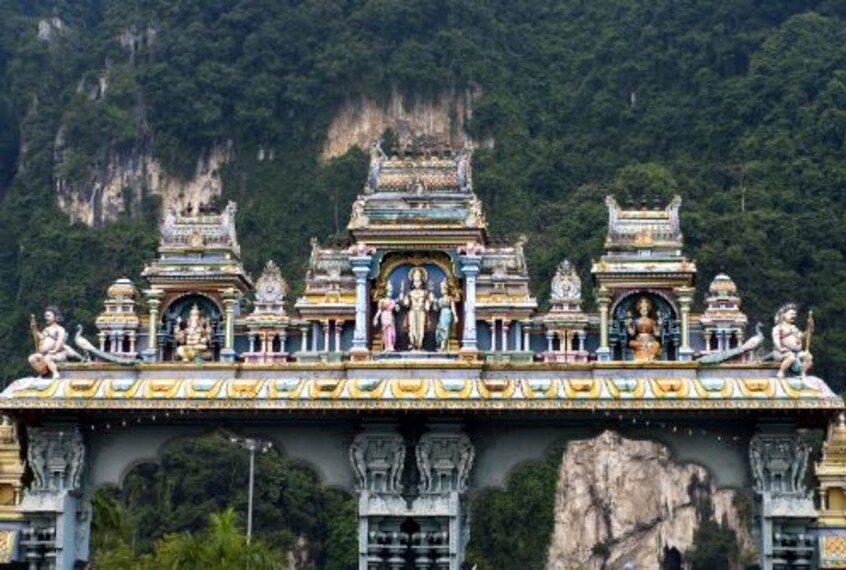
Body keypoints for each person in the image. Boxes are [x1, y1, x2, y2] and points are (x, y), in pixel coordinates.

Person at [28, 306, 78, 379]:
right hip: (46, 354)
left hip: (58, 354)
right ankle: (43, 373)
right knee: (32, 358)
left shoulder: (60, 329)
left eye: (48, 315)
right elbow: (42, 338)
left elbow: (60, 341)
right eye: (45, 316)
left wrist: (55, 350)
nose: (46, 317)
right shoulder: (47, 329)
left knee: (48, 358)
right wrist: (35, 330)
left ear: (56, 317)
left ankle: (55, 373)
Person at [772, 303, 813, 378]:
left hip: (796, 352)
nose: (793, 316)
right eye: (791, 314)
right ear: (783, 315)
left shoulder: (794, 328)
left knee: (808, 356)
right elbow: (775, 339)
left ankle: (802, 373)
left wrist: (808, 328)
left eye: (795, 314)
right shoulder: (778, 327)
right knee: (791, 357)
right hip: (781, 352)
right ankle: (781, 372)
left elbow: (802, 336)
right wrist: (780, 348)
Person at [401, 267, 433, 351]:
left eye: (418, 281)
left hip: (421, 312)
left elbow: (428, 304)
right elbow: (406, 304)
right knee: (412, 329)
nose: (417, 283)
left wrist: (429, 302)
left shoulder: (425, 292)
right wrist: (403, 299)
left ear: (422, 281)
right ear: (413, 282)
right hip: (412, 311)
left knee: (420, 329)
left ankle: (419, 345)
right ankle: (412, 344)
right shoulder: (410, 293)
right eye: (415, 281)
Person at [626, 296, 661, 361]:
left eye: (645, 309)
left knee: (656, 344)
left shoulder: (652, 321)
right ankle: (643, 355)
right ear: (639, 310)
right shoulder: (636, 321)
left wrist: (659, 325)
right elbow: (632, 333)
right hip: (639, 342)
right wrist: (628, 325)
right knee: (631, 343)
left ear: (648, 310)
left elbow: (657, 334)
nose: (644, 310)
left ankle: (650, 356)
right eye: (642, 309)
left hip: (650, 341)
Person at [373, 282, 399, 352]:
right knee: (386, 331)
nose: (390, 293)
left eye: (391, 291)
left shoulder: (392, 301)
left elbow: (397, 310)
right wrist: (375, 318)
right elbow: (379, 311)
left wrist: (397, 306)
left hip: (390, 317)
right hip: (385, 316)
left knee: (392, 333)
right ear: (385, 291)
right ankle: (387, 346)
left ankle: (391, 345)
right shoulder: (382, 301)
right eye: (388, 291)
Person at [435, 280, 458, 352]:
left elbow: (453, 308)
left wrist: (455, 316)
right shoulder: (440, 299)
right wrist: (434, 302)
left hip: (447, 314)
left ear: (447, 289)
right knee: (439, 329)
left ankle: (443, 346)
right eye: (442, 289)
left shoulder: (450, 298)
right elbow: (436, 309)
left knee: (445, 329)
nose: (443, 290)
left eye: (444, 289)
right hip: (442, 314)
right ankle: (440, 344)